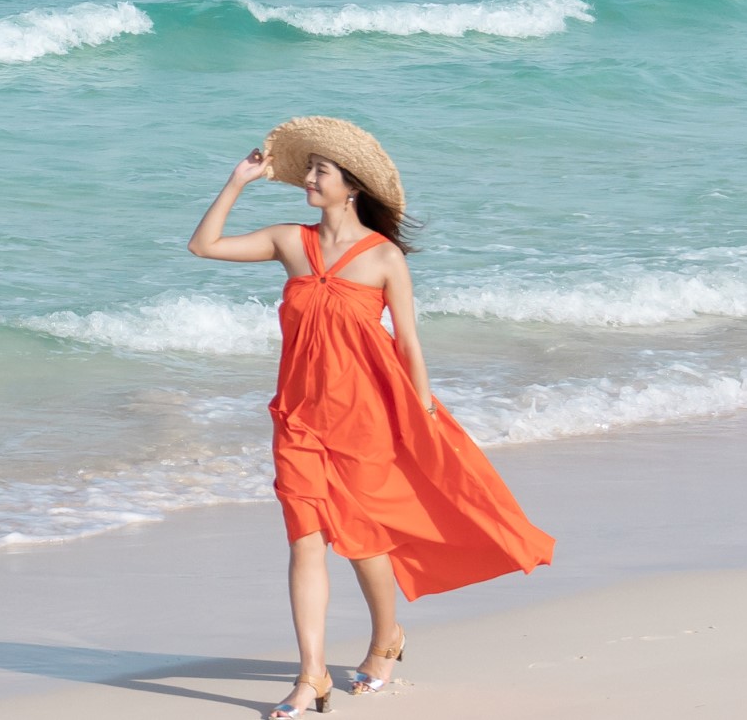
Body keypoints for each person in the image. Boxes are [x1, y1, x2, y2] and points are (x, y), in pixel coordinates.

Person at [187, 116, 554, 717]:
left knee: (362, 542)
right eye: (308, 168)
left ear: (351, 185)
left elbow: (408, 343)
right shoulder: (289, 241)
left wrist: (424, 407)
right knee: (304, 542)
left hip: (363, 419)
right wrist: (236, 183)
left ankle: (387, 638)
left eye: (320, 170)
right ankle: (312, 679)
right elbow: (204, 247)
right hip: (298, 418)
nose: (308, 177)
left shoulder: (383, 259)